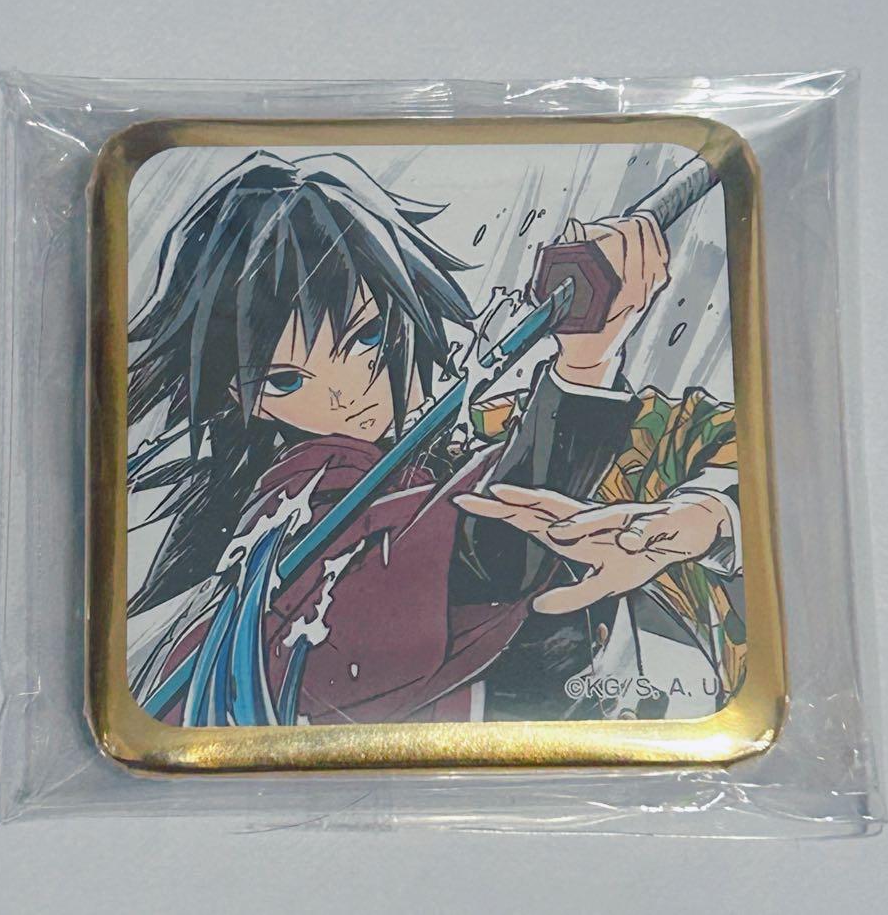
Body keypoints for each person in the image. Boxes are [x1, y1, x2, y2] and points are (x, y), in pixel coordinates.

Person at [127, 150, 740, 726]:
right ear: (242, 398)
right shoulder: (302, 500)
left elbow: (718, 446)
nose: (343, 395)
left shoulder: (480, 434)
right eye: (286, 379)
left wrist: (708, 516)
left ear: (404, 312)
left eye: (365, 339)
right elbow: (486, 557)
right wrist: (584, 367)